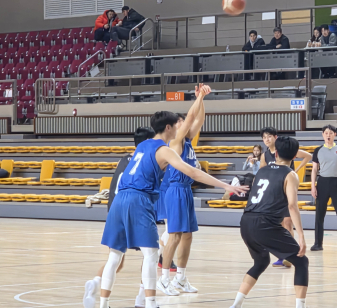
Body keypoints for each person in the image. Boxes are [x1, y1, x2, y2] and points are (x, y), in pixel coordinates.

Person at [96, 104, 248, 308]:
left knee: (115, 255)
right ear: (168, 127)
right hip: (138, 199)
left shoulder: (143, 145)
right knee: (151, 254)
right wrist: (226, 185)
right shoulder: (164, 150)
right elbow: (193, 172)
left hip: (119, 200)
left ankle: (103, 304)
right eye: (177, 124)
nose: (180, 127)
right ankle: (149, 303)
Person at [230, 136, 308, 308]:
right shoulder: (291, 174)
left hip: (246, 221)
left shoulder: (262, 171)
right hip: (265, 223)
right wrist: (301, 236)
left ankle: (236, 304)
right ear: (295, 156)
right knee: (301, 261)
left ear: (276, 153)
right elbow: (292, 206)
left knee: (261, 262)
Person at [83, 126, 155, 308]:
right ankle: (143, 299)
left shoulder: (123, 160)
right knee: (150, 254)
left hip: (115, 208)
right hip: (134, 208)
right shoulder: (146, 160)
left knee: (116, 259)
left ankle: (97, 283)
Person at [157, 85, 210, 295]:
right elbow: (190, 117)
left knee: (187, 236)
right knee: (175, 236)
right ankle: (164, 279)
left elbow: (199, 120)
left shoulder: (187, 140)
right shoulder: (175, 141)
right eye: (179, 122)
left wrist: (201, 100)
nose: (183, 124)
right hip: (175, 190)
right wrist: (199, 96)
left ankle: (180, 278)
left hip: (186, 190)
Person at [259, 127, 312, 268]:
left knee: (288, 222)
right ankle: (282, 255)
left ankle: (290, 253)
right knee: (280, 224)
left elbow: (308, 156)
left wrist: (297, 170)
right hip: (274, 193)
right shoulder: (265, 156)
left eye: (269, 136)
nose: (267, 139)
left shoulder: (284, 150)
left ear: (275, 137)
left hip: (287, 189)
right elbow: (262, 172)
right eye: (264, 137)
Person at [310, 125, 337, 252]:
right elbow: (314, 169)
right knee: (319, 214)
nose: (328, 135)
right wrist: (313, 186)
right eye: (326, 133)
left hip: (336, 182)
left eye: (330, 133)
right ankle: (318, 243)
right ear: (322, 135)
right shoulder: (318, 150)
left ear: (335, 134)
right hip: (322, 182)